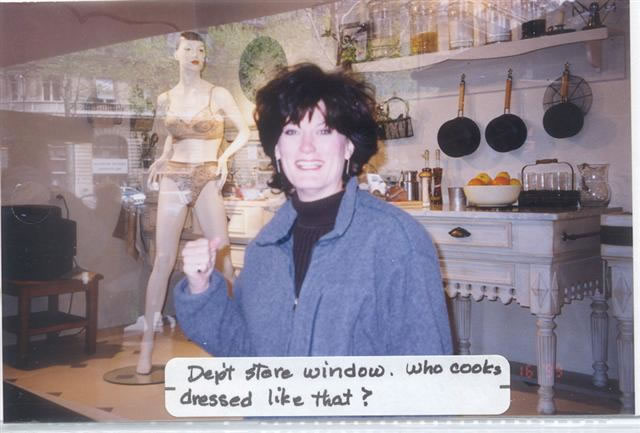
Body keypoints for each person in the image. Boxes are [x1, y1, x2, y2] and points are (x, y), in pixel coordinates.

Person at [174, 63, 452, 357]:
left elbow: (426, 367)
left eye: (324, 130)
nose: (307, 147)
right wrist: (201, 286)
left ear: (348, 147)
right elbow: (243, 352)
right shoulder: (265, 248)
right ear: (277, 149)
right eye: (292, 131)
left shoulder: (396, 240)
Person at [135, 31, 249, 374]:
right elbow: (171, 137)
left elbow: (244, 131)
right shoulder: (165, 98)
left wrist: (224, 158)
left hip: (206, 172)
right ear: (176, 54)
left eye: (200, 49)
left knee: (223, 257)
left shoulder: (218, 93)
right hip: (174, 174)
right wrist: (162, 157)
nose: (195, 54)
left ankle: (241, 343)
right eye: (188, 49)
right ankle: (145, 350)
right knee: (163, 260)